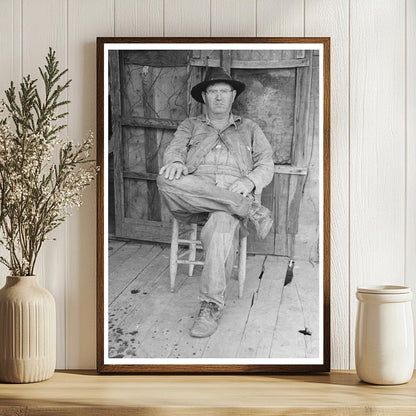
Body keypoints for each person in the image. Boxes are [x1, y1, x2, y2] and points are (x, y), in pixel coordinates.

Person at [157, 67, 274, 338]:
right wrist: (174, 161)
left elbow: (266, 164)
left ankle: (210, 306)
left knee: (222, 223)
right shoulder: (190, 126)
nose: (219, 97)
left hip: (231, 202)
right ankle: (248, 209)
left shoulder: (250, 128)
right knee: (164, 179)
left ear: (233, 96)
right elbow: (174, 149)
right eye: (213, 92)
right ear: (204, 97)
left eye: (224, 91)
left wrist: (249, 182)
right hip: (194, 201)